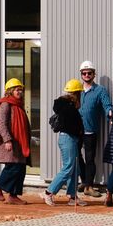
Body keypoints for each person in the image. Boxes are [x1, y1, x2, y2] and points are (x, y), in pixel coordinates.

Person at [43, 78, 85, 206]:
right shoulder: (68, 107)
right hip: (68, 138)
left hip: (71, 139)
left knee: (75, 167)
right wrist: (79, 131)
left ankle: (72, 196)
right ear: (76, 93)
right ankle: (49, 192)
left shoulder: (67, 105)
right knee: (68, 167)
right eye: (79, 93)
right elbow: (71, 125)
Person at [0, 77, 31, 204]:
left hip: (19, 142)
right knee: (13, 168)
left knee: (20, 169)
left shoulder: (18, 104)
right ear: (10, 91)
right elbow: (2, 124)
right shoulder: (5, 104)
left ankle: (13, 196)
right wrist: (7, 140)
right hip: (9, 143)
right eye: (17, 90)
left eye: (21, 90)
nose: (20, 92)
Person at [77, 60, 112, 196]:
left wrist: (111, 115)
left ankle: (89, 186)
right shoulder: (77, 90)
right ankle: (84, 181)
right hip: (76, 130)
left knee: (90, 159)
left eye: (89, 73)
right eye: (84, 73)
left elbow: (107, 105)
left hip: (90, 131)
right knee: (76, 156)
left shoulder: (100, 90)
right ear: (81, 75)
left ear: (94, 74)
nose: (86, 75)